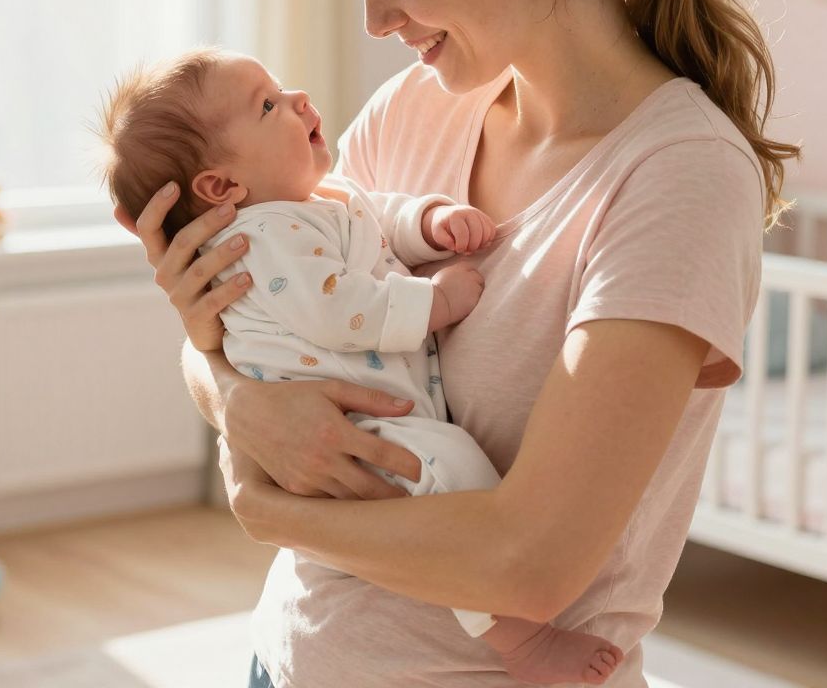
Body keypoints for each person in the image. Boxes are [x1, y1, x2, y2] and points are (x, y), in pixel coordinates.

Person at [115, 0, 798, 687]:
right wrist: (232, 391)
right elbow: (264, 319)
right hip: (289, 656)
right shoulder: (418, 107)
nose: (375, 20)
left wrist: (265, 504)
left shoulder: (676, 178)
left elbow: (530, 562)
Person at [96, 48, 623, 684]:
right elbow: (337, 306)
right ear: (223, 187)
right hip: (356, 430)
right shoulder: (262, 237)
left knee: (454, 482)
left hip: (368, 445)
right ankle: (518, 638)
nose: (297, 100)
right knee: (452, 467)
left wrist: (430, 222)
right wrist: (436, 301)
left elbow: (376, 218)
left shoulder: (318, 200)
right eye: (267, 106)